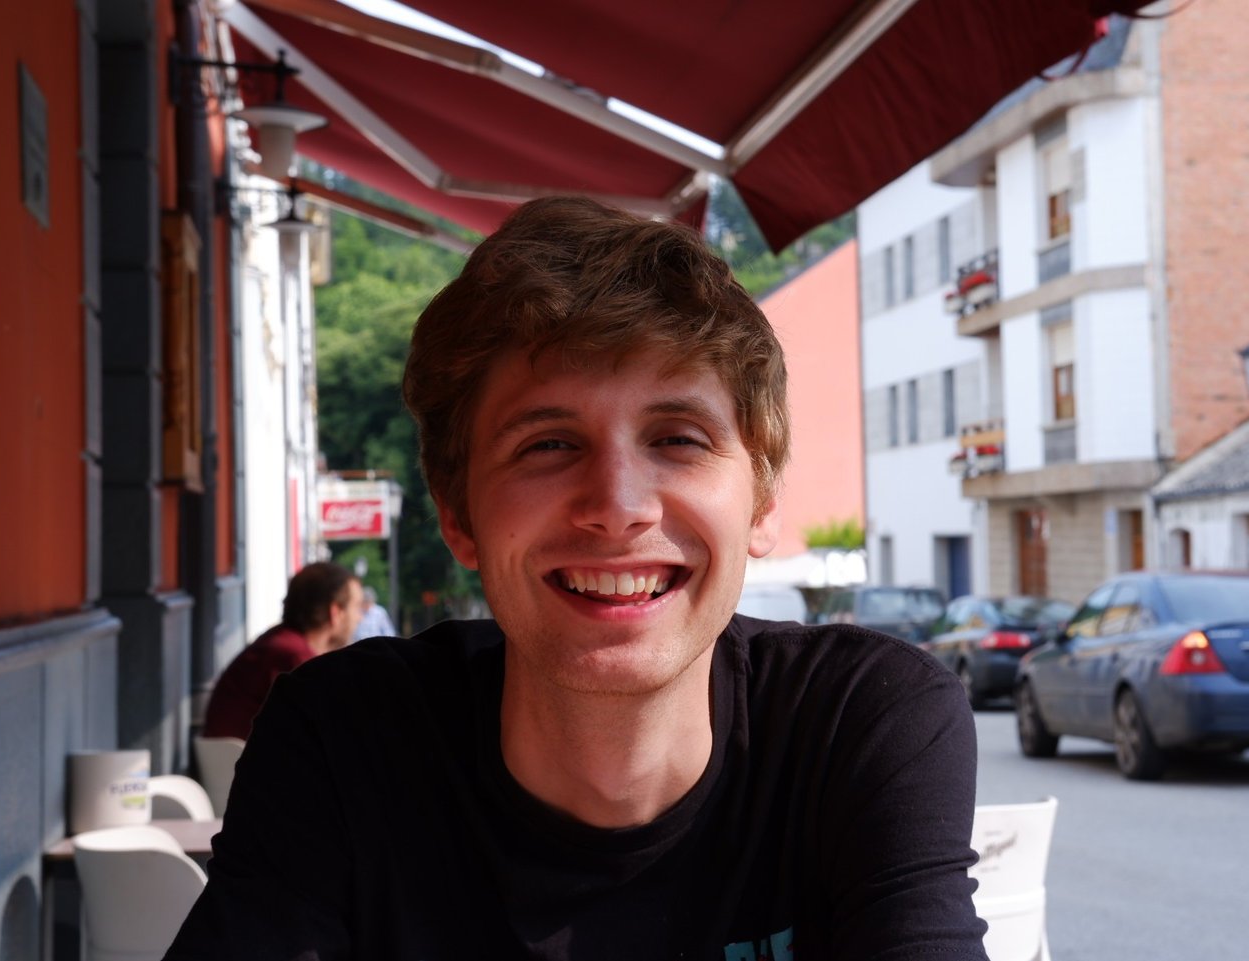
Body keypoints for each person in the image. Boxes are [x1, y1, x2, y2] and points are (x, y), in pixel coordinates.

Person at [168, 197, 987, 959]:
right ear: (458, 513)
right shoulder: (346, 739)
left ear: (763, 501)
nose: (618, 507)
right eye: (548, 444)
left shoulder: (860, 723)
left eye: (678, 438)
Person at [200, 561, 363, 741]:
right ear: (336, 612)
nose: (360, 617)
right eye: (356, 607)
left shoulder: (279, 643)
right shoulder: (294, 657)